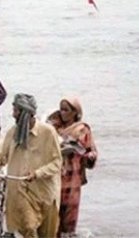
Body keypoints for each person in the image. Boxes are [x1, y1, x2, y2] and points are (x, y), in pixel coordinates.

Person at [0, 94, 62, 238]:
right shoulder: (13, 133)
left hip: (44, 192)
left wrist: (37, 173)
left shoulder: (48, 133)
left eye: (16, 111)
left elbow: (56, 162)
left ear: (25, 113)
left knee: (47, 234)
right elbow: (1, 156)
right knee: (28, 227)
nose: (13, 115)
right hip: (21, 192)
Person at [48, 98, 98, 238]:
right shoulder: (53, 127)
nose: (63, 113)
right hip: (53, 175)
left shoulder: (82, 129)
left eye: (66, 110)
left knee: (69, 216)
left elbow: (90, 151)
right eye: (61, 109)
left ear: (75, 112)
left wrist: (90, 157)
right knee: (51, 216)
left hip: (73, 178)